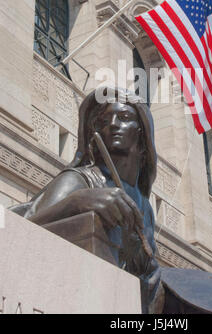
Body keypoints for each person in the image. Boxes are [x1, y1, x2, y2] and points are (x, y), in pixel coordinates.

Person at [10, 87, 163, 313]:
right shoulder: (80, 180)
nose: (112, 124)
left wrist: (141, 260)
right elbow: (19, 232)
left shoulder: (145, 208)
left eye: (124, 117)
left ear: (142, 134)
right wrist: (78, 202)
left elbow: (148, 273)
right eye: (104, 120)